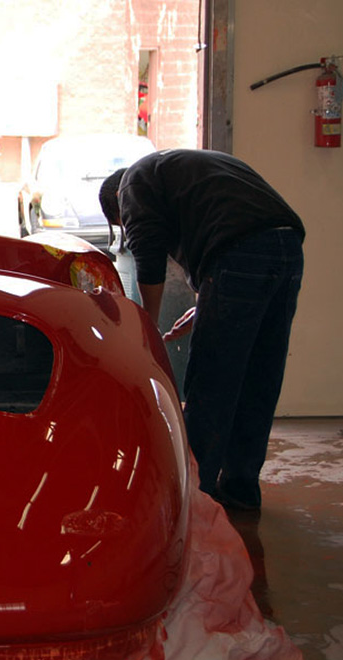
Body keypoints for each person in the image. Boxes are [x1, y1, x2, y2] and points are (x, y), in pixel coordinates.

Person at [99, 149, 304, 510]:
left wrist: (147, 330)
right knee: (260, 377)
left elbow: (149, 258)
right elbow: (235, 232)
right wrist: (205, 304)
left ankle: (194, 494)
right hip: (287, 246)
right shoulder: (179, 171)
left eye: (122, 221)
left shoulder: (131, 184)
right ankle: (241, 490)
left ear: (118, 203)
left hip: (240, 250)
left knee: (212, 382)